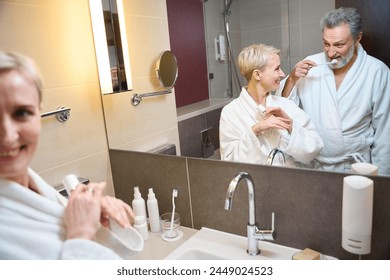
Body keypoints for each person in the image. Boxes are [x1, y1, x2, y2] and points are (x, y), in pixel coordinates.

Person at [0, 51, 137, 259]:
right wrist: (80, 236)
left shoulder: (33, 185)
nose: (8, 136)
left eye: (21, 113)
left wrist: (95, 218)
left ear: (39, 113)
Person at [277, 7, 390, 175]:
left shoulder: (376, 72)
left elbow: (385, 132)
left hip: (356, 167)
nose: (330, 53)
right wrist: (292, 79)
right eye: (325, 44)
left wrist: (382, 180)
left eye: (339, 45)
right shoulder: (309, 66)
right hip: (314, 165)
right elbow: (284, 112)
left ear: (357, 38)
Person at [219, 44, 324, 167]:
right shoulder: (231, 112)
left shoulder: (286, 105)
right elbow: (228, 162)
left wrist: (290, 126)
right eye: (277, 69)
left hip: (289, 181)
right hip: (254, 183)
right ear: (257, 75)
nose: (283, 74)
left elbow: (315, 148)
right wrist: (256, 130)